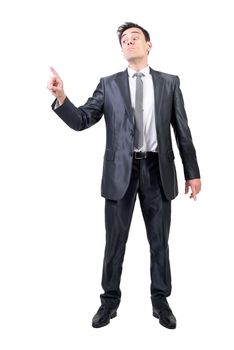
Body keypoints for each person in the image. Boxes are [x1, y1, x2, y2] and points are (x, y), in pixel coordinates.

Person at [47, 22, 201, 330]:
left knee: (159, 241)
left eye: (135, 38)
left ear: (148, 45)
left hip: (159, 171)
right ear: (121, 50)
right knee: (115, 241)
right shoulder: (109, 84)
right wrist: (62, 97)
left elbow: (182, 130)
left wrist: (192, 172)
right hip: (120, 173)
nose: (129, 43)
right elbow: (82, 120)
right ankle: (109, 302)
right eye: (124, 40)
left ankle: (160, 301)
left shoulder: (170, 83)